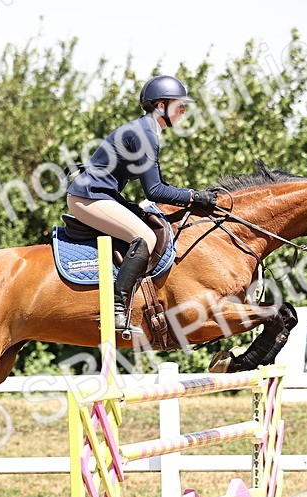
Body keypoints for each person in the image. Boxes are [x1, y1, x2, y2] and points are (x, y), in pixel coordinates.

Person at [66, 75, 219, 336]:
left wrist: (193, 197)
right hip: (89, 197)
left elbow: (159, 184)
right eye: (179, 105)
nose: (184, 111)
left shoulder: (146, 130)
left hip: (102, 195)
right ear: (160, 106)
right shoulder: (145, 134)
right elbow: (155, 190)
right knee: (145, 237)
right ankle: (115, 309)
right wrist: (194, 196)